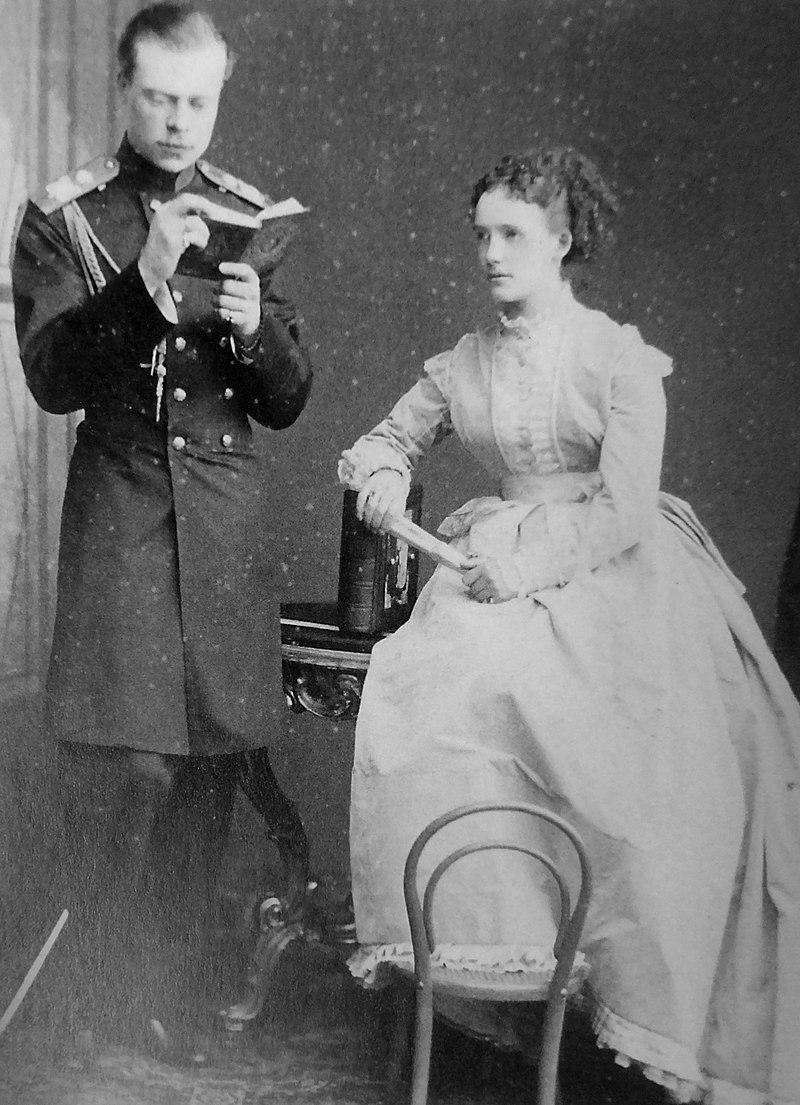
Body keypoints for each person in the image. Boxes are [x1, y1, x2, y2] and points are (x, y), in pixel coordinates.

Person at [338, 148, 800, 1104]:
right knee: (443, 696)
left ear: (563, 239)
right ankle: (501, 967)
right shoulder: (464, 361)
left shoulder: (617, 359)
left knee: (642, 755)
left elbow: (624, 508)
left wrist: (528, 567)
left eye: (513, 234)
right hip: (490, 560)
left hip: (612, 571)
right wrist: (381, 475)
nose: (491, 253)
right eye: (482, 234)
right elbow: (387, 438)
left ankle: (631, 986)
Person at [11, 1, 312, 1056]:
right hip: (122, 510)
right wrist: (142, 285)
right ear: (123, 90)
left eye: (198, 101)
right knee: (125, 768)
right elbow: (52, 379)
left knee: (209, 769)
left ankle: (169, 997)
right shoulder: (66, 217)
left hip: (223, 523)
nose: (180, 121)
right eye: (159, 98)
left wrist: (256, 330)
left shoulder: (250, 216)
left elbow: (285, 400)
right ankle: (101, 988)